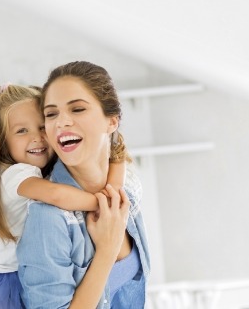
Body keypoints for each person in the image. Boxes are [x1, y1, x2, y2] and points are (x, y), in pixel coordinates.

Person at [0, 84, 125, 309]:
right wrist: (101, 203)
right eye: (22, 131)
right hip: (5, 280)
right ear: (2, 141)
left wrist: (117, 158)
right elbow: (57, 195)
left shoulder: (34, 170)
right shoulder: (16, 174)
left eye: (42, 127)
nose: (37, 138)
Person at [17, 61, 151, 308]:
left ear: (112, 121)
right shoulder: (48, 218)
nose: (61, 122)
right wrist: (107, 251)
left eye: (77, 109)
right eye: (51, 113)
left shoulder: (128, 185)